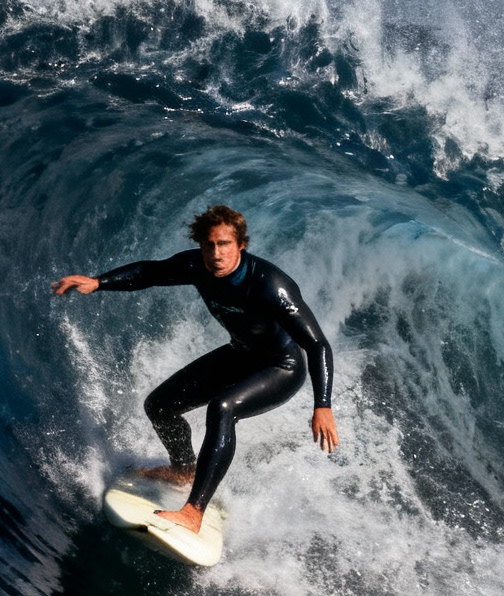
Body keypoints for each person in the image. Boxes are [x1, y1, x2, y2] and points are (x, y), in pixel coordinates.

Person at [52, 205, 337, 534]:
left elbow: (317, 345)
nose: (216, 254)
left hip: (281, 366)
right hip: (241, 354)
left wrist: (323, 405)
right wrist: (99, 282)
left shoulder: (270, 285)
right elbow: (150, 273)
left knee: (222, 408)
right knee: (160, 405)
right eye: (209, 245)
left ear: (241, 244)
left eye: (224, 244)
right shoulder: (196, 266)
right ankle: (183, 470)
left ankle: (193, 511)